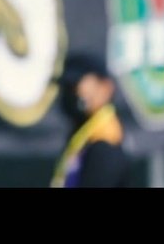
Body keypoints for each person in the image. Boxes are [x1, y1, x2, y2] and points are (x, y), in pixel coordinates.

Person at [51, 52, 132, 188]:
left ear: (105, 87)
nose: (70, 94)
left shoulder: (105, 139)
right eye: (67, 88)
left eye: (76, 87)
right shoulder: (82, 134)